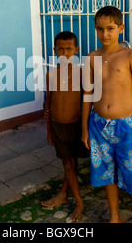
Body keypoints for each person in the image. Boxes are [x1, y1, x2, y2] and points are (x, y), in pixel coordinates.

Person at [81, 6, 132, 223]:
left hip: (127, 127)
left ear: (121, 28)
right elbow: (88, 94)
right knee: (106, 173)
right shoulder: (92, 58)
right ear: (95, 30)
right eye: (100, 29)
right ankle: (115, 216)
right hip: (98, 126)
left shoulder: (129, 56)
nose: (105, 34)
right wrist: (84, 129)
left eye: (110, 28)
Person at [42, 31, 88, 222]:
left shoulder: (83, 74)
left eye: (69, 49)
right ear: (54, 50)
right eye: (60, 49)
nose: (64, 53)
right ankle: (77, 200)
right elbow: (48, 104)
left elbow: (87, 103)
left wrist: (85, 130)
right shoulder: (51, 74)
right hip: (57, 126)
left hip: (75, 126)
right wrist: (48, 128)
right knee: (68, 164)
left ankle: (67, 196)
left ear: (76, 50)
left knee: (72, 163)